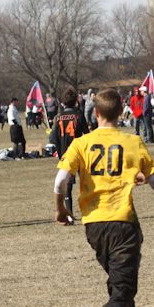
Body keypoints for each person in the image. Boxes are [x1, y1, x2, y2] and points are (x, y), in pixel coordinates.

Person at [54, 88, 154, 307]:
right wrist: (146, 178)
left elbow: (60, 181)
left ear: (96, 113)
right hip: (122, 222)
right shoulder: (133, 141)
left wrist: (60, 209)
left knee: (118, 284)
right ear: (121, 112)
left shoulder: (81, 143)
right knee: (124, 288)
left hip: (94, 225)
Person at [48, 88, 89, 218]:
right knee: (86, 182)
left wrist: (59, 152)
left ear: (63, 102)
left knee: (67, 186)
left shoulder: (58, 117)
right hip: (79, 153)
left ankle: (69, 214)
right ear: (76, 101)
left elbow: (52, 138)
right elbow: (87, 135)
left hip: (65, 155)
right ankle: (89, 210)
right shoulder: (79, 115)